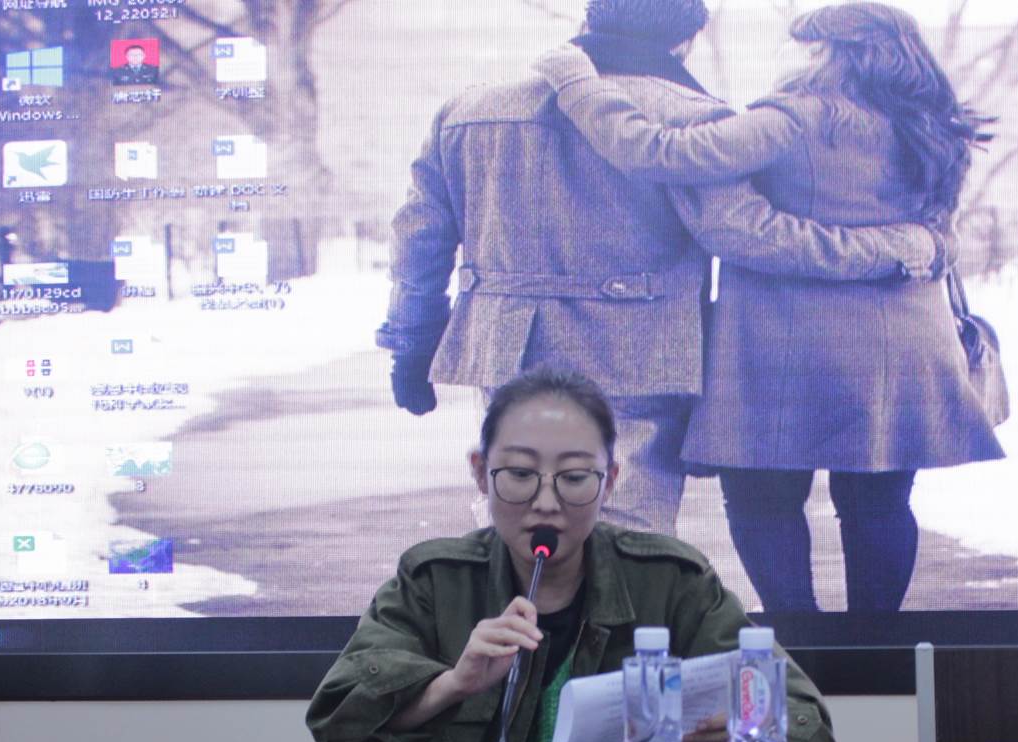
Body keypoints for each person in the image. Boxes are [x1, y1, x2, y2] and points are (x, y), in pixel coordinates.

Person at [377, 0, 945, 538]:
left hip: (507, 352)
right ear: (685, 39)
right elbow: (747, 236)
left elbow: (420, 237)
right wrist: (892, 247)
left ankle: (525, 611)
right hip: (639, 356)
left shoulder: (471, 111)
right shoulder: (691, 116)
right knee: (626, 534)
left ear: (592, 18)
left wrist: (412, 342)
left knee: (520, 520)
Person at [535, 3, 1005, 612]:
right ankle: (875, 645)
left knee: (762, 500)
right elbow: (937, 235)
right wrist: (904, 248)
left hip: (787, 346)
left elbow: (658, 152)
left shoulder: (794, 119)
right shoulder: (933, 128)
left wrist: (579, 85)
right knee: (879, 503)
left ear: (838, 55)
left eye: (813, 49)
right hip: (903, 345)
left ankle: (799, 634)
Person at [308, 369, 836, 742]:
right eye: (519, 474)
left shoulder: (671, 581)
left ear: (611, 481)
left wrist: (751, 736)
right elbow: (336, 723)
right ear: (481, 472)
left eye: (575, 478)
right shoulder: (432, 580)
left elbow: (803, 714)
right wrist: (452, 684)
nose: (545, 503)